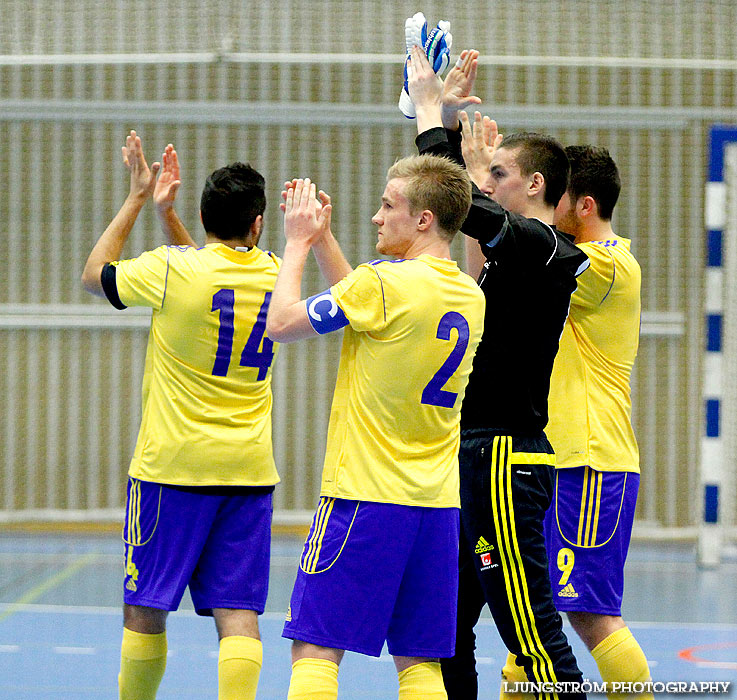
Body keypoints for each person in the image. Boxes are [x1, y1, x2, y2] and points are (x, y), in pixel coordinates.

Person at [406, 46, 590, 699]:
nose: (488, 180)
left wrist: (433, 117)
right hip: (471, 457)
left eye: (501, 171)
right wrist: (452, 131)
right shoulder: (507, 254)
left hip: (505, 462)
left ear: (534, 184)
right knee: (443, 628)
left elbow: (460, 207)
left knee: (534, 637)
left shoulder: (547, 249)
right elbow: (467, 208)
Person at [266, 159, 485, 699]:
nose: (376, 216)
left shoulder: (383, 283)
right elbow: (369, 308)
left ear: (424, 220)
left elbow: (280, 325)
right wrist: (325, 241)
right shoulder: (469, 296)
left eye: (389, 206)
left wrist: (295, 241)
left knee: (315, 649)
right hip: (435, 508)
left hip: (364, 497)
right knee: (419, 663)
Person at [81, 131, 280, 700]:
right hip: (247, 470)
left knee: (145, 607)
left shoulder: (173, 271)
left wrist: (140, 198)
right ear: (258, 222)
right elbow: (214, 269)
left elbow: (97, 273)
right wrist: (173, 218)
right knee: (238, 613)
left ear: (202, 212)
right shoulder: (271, 272)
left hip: (172, 469)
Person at [501, 146, 652, 700]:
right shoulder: (569, 261)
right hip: (551, 463)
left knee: (591, 617)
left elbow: (524, 243)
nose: (545, 202)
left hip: (588, 469)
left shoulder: (606, 266)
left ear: (583, 205)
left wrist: (475, 180)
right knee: (533, 622)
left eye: (554, 194)